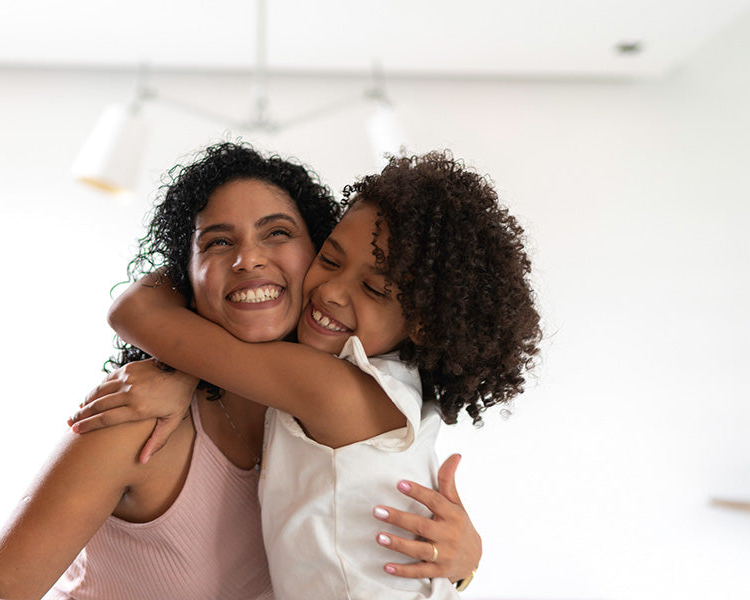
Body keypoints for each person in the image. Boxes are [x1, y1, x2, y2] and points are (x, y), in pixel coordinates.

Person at [0, 143, 482, 600]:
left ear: (313, 253)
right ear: (186, 277)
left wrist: (465, 564)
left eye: (276, 233)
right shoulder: (140, 421)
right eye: (218, 242)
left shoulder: (333, 432)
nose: (248, 258)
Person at [84, 150, 540, 598]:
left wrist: (186, 339)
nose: (332, 292)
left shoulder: (334, 390)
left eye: (373, 288)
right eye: (331, 259)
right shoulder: (391, 387)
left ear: (422, 322)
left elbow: (134, 311)